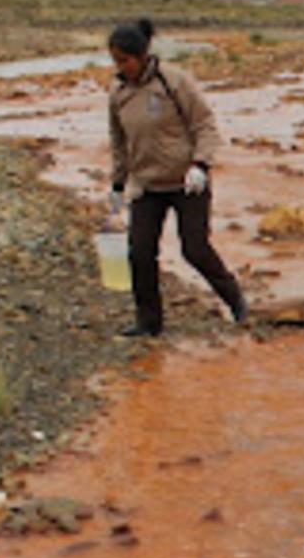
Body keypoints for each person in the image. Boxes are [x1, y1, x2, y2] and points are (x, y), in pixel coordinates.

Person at [105, 18, 248, 336]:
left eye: (125, 60)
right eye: (115, 61)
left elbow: (204, 125)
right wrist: (117, 184)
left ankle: (236, 301)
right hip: (147, 186)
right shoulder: (118, 92)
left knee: (194, 249)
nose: (120, 67)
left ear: (142, 55)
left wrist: (201, 165)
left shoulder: (174, 82)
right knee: (140, 253)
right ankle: (148, 323)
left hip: (187, 183)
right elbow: (118, 142)